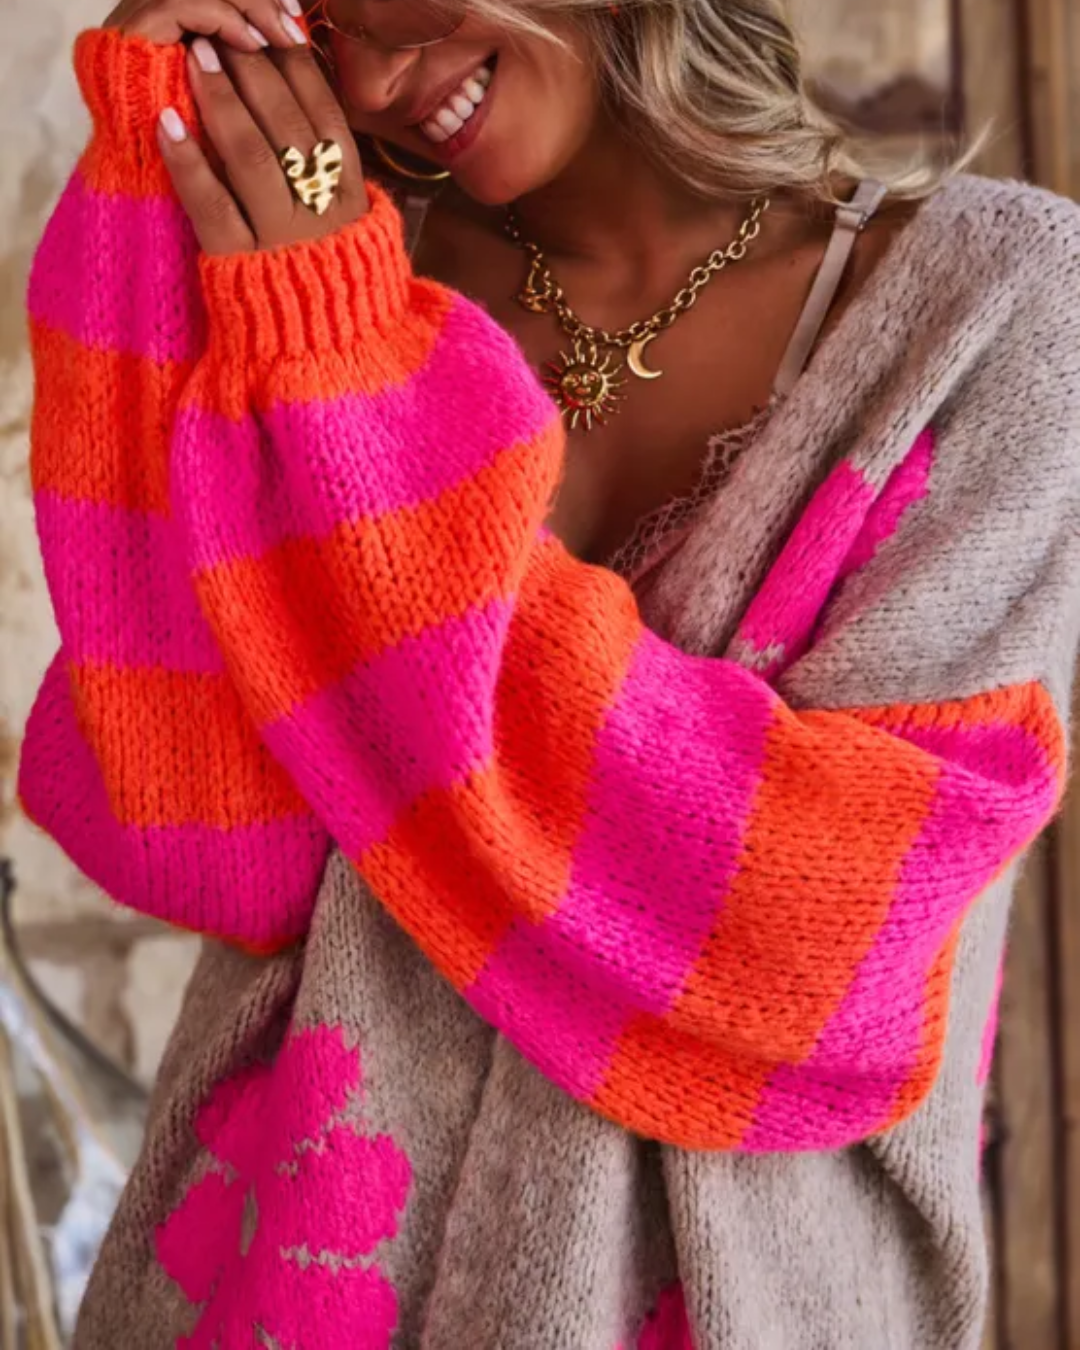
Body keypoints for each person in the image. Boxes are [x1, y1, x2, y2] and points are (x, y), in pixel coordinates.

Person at [17, 0, 1080, 1343]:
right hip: (271, 1277)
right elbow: (210, 845)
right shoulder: (322, 251)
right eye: (323, 22)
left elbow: (832, 930)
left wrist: (351, 390)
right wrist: (155, 145)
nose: (377, 82)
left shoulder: (998, 309)